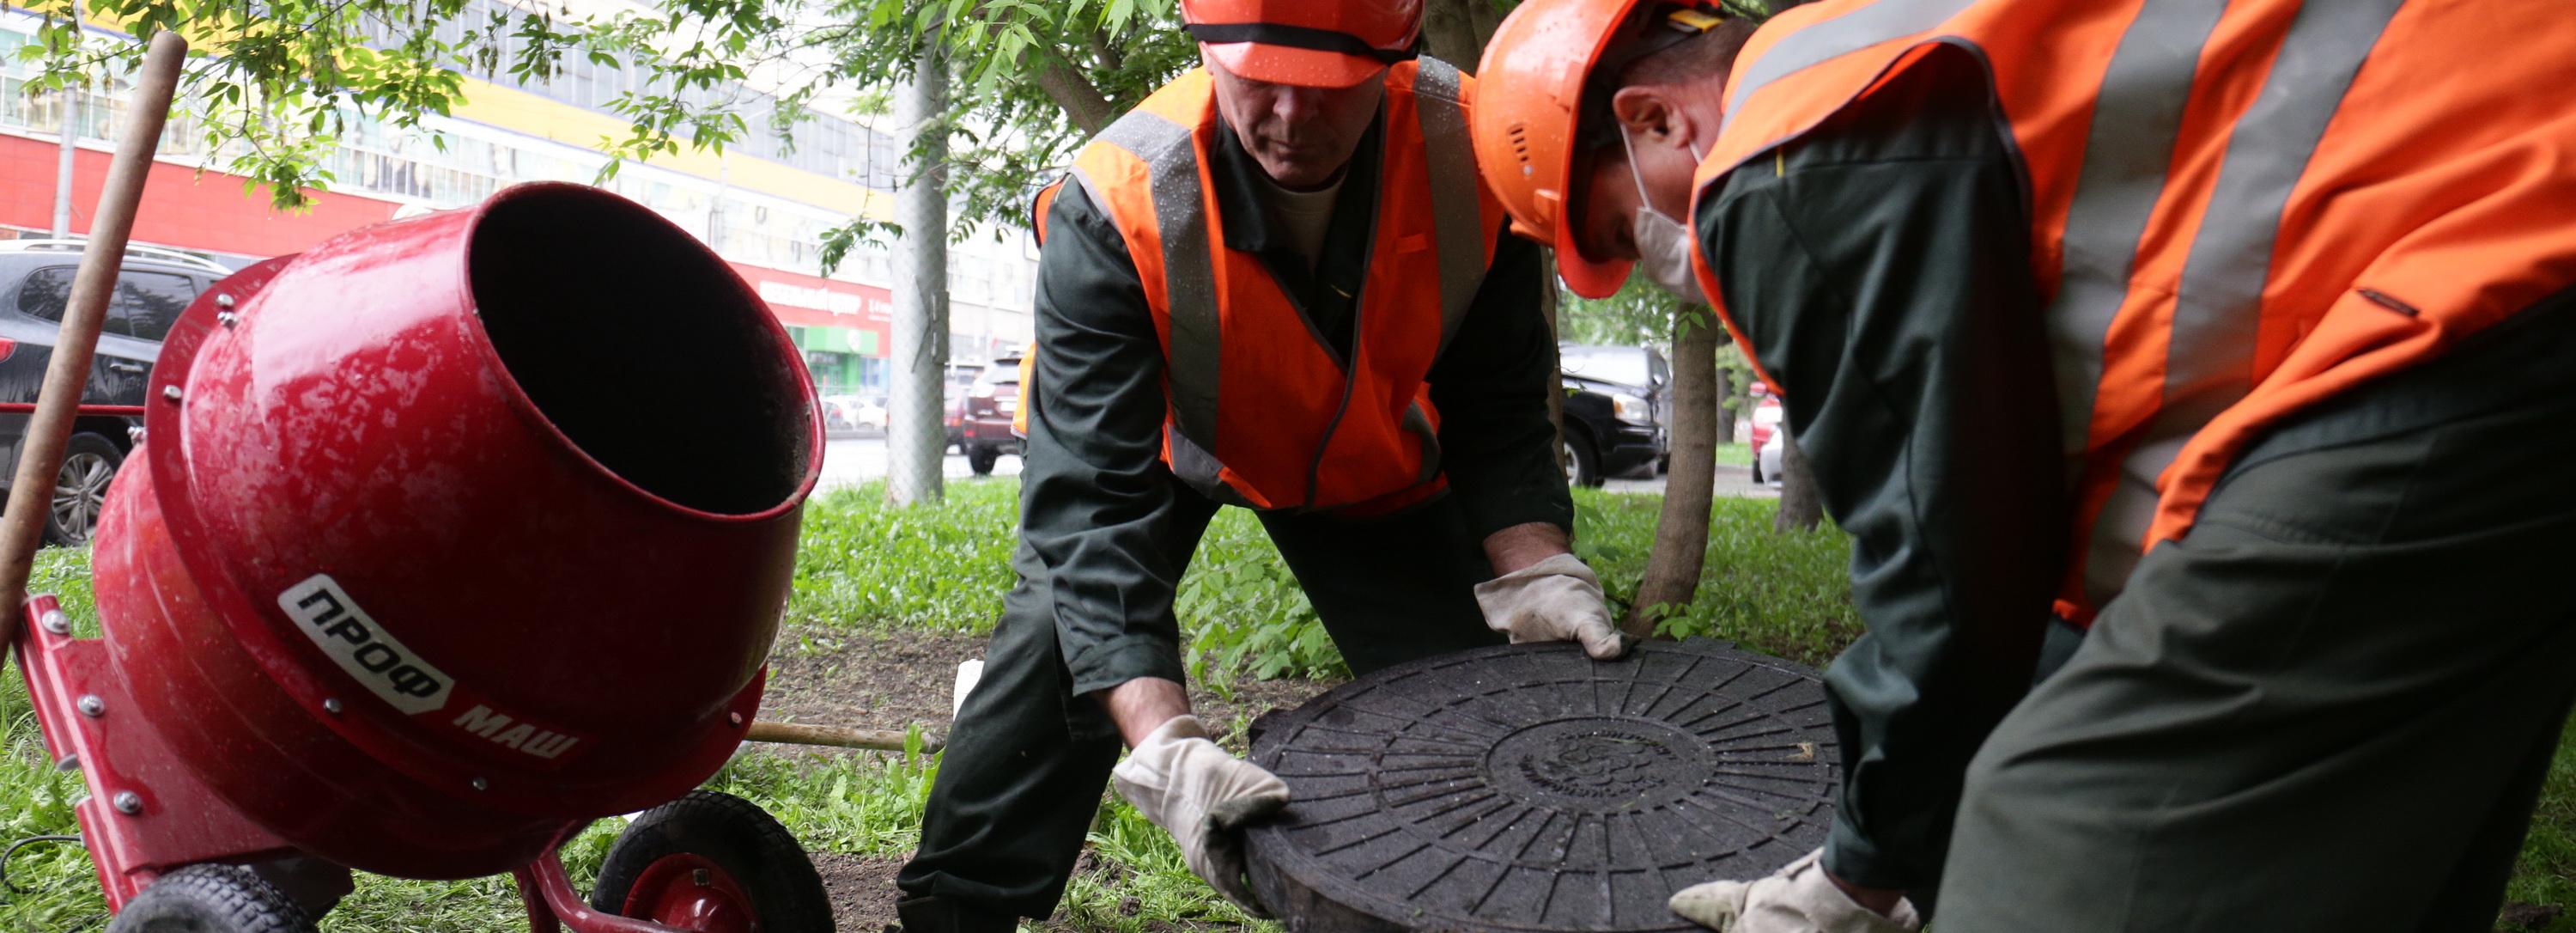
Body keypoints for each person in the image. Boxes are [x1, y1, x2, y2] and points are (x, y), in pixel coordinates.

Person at [1469, 0, 2576, 930]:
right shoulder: (1888, 42)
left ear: (1657, 118)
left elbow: (1955, 572)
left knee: (2049, 832)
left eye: (1620, 233)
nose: (1660, 263)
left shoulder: (1784, 147)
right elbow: (2024, 548)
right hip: (2506, 256)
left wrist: (1857, 872)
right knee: (2367, 854)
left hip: (2486, 285)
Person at [892, 2, 1627, 929]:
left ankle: (1495, 903)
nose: (1288, 119)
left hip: (1368, 461)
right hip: (1166, 447)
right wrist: (1165, 745)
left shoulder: (1471, 150)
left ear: (1392, 60)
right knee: (1059, 650)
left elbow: (1497, 399)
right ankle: (953, 914)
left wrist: (1535, 569)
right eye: (1257, 82)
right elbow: (1091, 514)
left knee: (1482, 714)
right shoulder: (1118, 199)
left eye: (1325, 91)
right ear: (1205, 51)